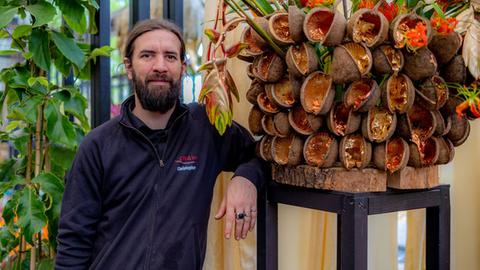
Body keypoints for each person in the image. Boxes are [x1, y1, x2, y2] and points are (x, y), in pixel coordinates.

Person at [55, 19, 265, 269]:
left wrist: (246, 178)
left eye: (170, 56)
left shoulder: (206, 129)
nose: (160, 66)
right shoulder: (98, 146)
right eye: (147, 55)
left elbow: (262, 154)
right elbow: (73, 245)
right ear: (128, 67)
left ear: (183, 67)